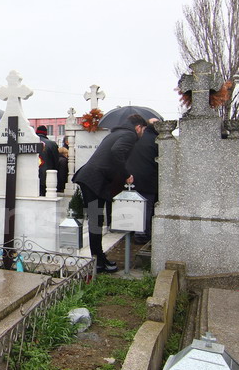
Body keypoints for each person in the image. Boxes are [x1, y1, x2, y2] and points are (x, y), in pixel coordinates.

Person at [71, 113, 147, 273]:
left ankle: (99, 259)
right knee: (96, 222)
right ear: (138, 127)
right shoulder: (130, 135)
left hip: (91, 179)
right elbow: (117, 152)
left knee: (95, 221)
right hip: (94, 181)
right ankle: (98, 262)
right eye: (143, 130)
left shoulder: (115, 133)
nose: (142, 133)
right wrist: (127, 175)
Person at [125, 119, 160, 244]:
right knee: (146, 208)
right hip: (148, 178)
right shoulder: (157, 139)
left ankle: (134, 231)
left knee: (135, 207)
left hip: (132, 177)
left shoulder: (137, 138)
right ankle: (142, 235)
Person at [35, 125, 60, 196]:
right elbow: (56, 161)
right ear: (46, 133)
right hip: (47, 176)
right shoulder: (52, 144)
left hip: (32, 175)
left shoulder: (30, 142)